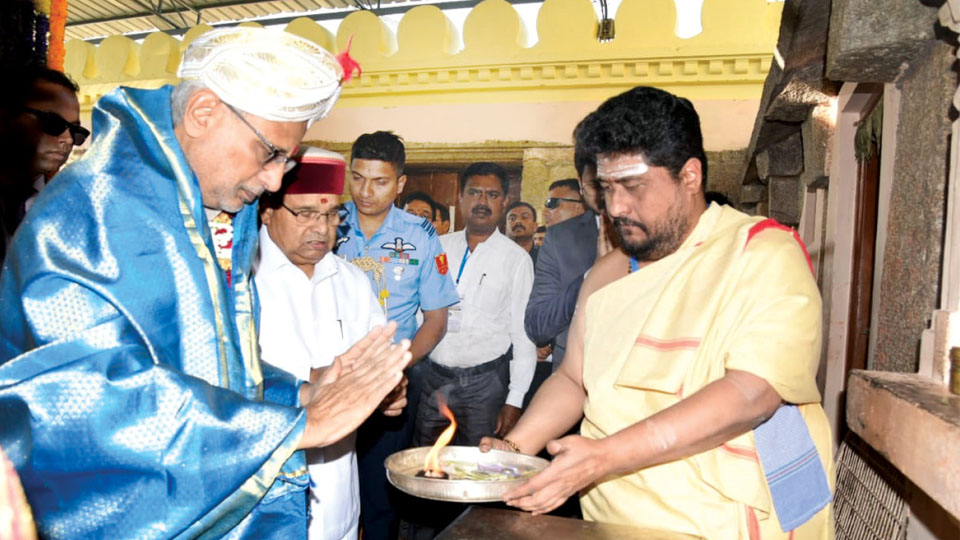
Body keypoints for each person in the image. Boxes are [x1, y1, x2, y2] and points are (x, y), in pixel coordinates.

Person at [0, 27, 412, 539]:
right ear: (203, 113)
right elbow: (87, 407)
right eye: (270, 153)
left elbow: (210, 362)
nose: (275, 181)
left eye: (288, 159)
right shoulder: (94, 214)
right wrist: (293, 428)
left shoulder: (202, 206)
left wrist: (300, 394)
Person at [483, 86, 834, 539]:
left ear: (690, 176)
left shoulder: (761, 254)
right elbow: (573, 379)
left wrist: (604, 456)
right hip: (611, 519)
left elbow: (752, 394)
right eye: (607, 188)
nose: (616, 207)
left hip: (717, 522)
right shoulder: (607, 273)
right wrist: (512, 454)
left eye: (634, 187)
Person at [256, 147, 395, 540]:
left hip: (338, 488)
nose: (322, 228)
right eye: (305, 214)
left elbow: (376, 360)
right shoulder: (238, 280)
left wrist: (389, 389)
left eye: (333, 214)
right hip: (267, 492)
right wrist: (313, 382)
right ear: (267, 210)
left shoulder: (352, 281)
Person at [337, 131, 459, 540]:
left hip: (396, 384)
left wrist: (397, 370)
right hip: (330, 377)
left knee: (379, 498)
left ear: (401, 183)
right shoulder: (327, 224)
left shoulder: (421, 235)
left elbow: (436, 320)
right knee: (327, 490)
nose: (365, 191)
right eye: (357, 178)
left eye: (380, 181)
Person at [524, 155, 611, 371]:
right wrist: (591, 275)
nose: (611, 191)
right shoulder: (559, 239)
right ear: (583, 188)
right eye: (596, 184)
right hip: (572, 376)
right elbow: (538, 325)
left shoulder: (661, 230)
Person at [0, 66, 87, 262]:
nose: (67, 139)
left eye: (75, 130)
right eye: (52, 122)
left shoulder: (71, 211)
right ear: (6, 116)